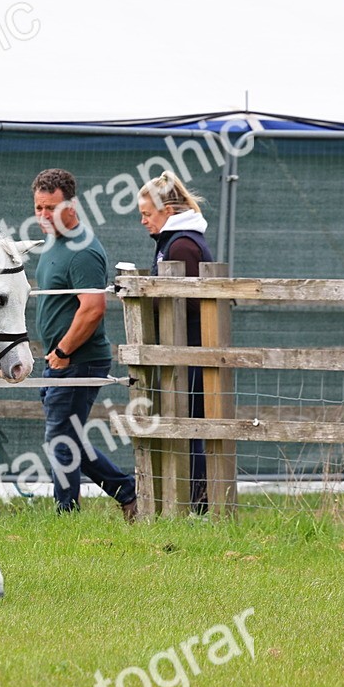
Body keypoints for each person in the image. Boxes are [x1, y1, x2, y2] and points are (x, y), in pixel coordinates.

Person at [32, 168, 138, 521]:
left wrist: (63, 353)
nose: (44, 216)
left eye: (52, 208)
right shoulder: (54, 244)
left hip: (79, 360)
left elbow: (92, 309)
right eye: (38, 208)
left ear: (72, 204)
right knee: (69, 438)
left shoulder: (84, 251)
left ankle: (67, 515)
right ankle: (127, 491)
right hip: (58, 359)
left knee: (59, 439)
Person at [138, 170, 215, 514]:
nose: (143, 221)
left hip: (193, 351)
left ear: (167, 212)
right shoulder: (175, 241)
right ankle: (190, 501)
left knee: (192, 426)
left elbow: (180, 304)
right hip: (186, 350)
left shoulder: (182, 245)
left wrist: (143, 299)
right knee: (187, 425)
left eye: (147, 214)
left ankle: (198, 505)